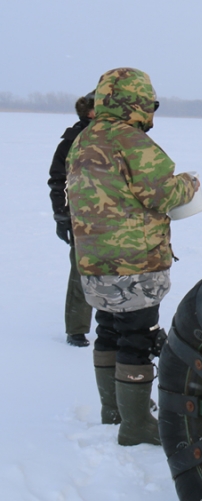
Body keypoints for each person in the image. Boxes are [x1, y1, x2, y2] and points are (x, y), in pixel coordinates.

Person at [66, 68, 198, 446]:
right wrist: (189, 183)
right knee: (136, 338)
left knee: (108, 330)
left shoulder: (83, 139)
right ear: (137, 102)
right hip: (134, 264)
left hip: (94, 262)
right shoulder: (132, 142)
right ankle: (136, 424)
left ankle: (115, 411)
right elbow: (162, 194)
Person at [47, 92, 96, 347]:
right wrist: (61, 215)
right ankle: (76, 329)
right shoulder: (72, 140)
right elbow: (58, 179)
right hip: (83, 218)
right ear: (89, 112)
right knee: (82, 273)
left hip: (117, 219)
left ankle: (117, 324)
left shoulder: (119, 138)